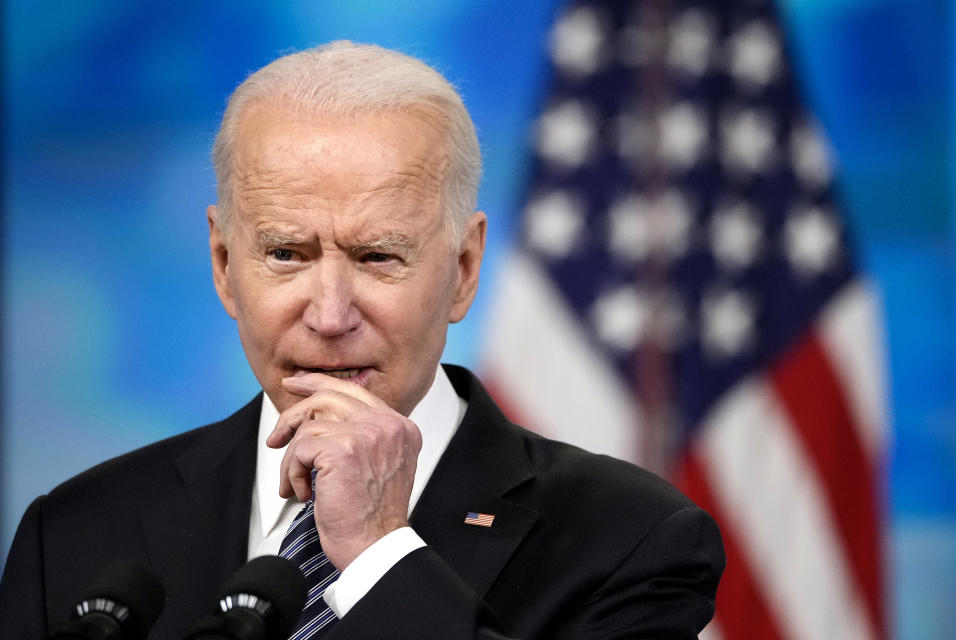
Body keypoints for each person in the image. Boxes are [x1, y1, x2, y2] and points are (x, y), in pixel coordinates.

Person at [0, 41, 724, 639]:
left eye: (379, 256)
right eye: (286, 254)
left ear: (464, 270)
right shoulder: (71, 534)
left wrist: (380, 556)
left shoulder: (635, 540)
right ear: (224, 266)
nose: (330, 314)